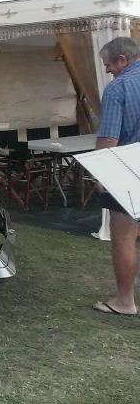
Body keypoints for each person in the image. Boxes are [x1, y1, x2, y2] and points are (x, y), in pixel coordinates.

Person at [92, 36, 140, 316]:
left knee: (123, 237)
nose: (107, 70)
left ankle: (125, 301)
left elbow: (109, 138)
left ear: (122, 59)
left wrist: (102, 173)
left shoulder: (118, 87)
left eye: (108, 64)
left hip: (128, 167)